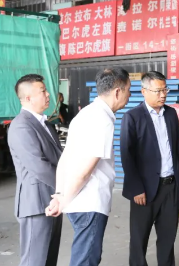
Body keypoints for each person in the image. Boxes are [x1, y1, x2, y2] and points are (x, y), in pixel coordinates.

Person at [45, 68, 131, 266]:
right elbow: (85, 172)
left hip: (77, 201)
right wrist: (63, 200)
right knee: (86, 260)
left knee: (84, 257)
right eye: (128, 90)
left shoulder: (85, 114)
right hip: (90, 203)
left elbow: (65, 159)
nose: (129, 95)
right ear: (117, 92)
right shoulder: (103, 121)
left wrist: (59, 195)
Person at [120, 71, 179, 266]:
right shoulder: (132, 117)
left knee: (168, 238)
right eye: (158, 91)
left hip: (170, 187)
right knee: (139, 239)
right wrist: (136, 188)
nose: (163, 95)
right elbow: (127, 156)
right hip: (145, 190)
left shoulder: (171, 114)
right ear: (144, 91)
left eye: (165, 90)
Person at [8, 74, 62, 266]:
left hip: (52, 200)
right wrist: (66, 187)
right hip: (36, 205)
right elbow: (38, 165)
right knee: (34, 261)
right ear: (28, 98)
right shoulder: (21, 126)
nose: (48, 95)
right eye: (43, 91)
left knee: (49, 259)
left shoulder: (45, 124)